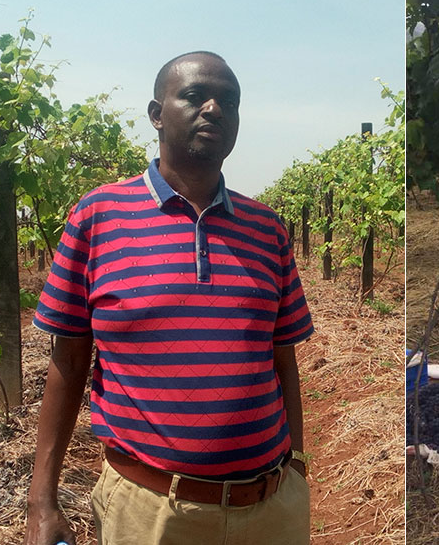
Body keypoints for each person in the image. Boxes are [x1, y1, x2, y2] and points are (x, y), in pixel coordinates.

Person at [23, 51, 314, 545]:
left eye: (229, 101)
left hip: (271, 511)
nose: (215, 109)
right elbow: (68, 361)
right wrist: (41, 500)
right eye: (196, 96)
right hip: (150, 514)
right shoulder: (97, 216)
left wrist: (298, 467)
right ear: (157, 114)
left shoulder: (267, 229)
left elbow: (281, 359)